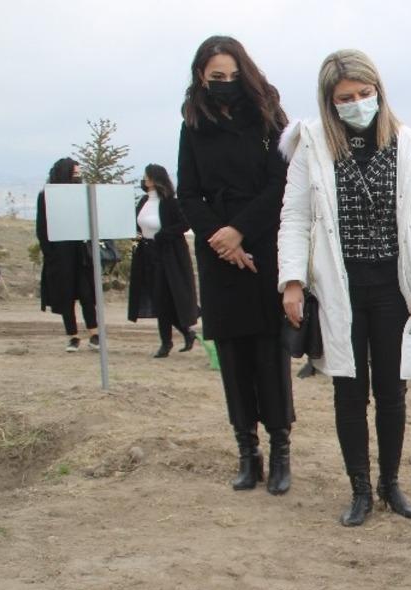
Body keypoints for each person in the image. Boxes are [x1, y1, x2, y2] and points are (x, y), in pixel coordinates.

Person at [278, 49, 411, 527]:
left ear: (379, 91)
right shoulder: (311, 144)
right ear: (328, 101)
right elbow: (294, 215)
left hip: (392, 288)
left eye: (364, 93)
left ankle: (390, 484)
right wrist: (292, 281)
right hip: (340, 287)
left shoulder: (409, 144)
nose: (357, 103)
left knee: (393, 391)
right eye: (345, 97)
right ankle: (359, 489)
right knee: (348, 391)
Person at [177, 35, 294, 494]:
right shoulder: (192, 125)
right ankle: (248, 453)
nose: (224, 84)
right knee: (232, 356)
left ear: (243, 73)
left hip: (262, 244)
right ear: (201, 79)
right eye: (215, 78)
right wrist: (221, 239)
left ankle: (281, 451)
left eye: (230, 76)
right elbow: (187, 192)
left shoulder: (269, 119)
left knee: (269, 353)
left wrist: (241, 231)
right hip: (216, 251)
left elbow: (280, 184)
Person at [128, 164, 199, 358]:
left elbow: (184, 224)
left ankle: (166, 342)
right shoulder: (143, 201)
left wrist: (163, 235)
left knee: (166, 298)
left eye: (146, 176)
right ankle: (185, 333)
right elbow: (136, 225)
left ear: (155, 179)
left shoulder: (170, 203)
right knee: (158, 299)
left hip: (168, 255)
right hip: (146, 254)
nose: (144, 180)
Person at [36, 158, 98, 353]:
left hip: (80, 252)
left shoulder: (82, 194)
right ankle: (72, 336)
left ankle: (95, 333)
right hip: (59, 254)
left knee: (87, 294)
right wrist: (50, 254)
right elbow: (42, 227)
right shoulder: (46, 196)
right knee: (65, 296)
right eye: (75, 173)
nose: (78, 176)